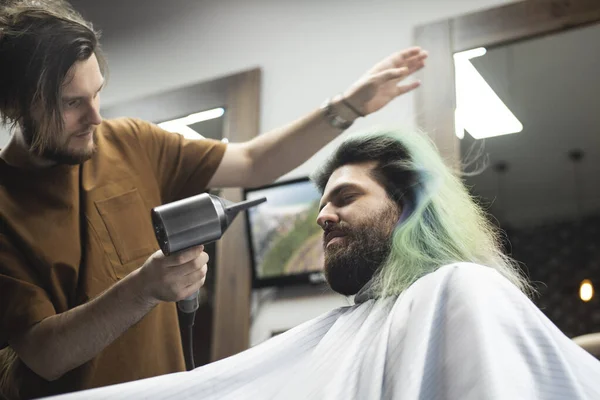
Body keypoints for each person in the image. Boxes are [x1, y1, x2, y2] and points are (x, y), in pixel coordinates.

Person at [0, 0, 428, 398]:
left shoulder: (127, 141)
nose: (95, 116)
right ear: (17, 103)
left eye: (97, 93)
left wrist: (347, 107)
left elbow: (253, 162)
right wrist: (145, 288)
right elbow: (45, 354)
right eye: (72, 103)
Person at [47, 130, 600, 400]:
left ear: (405, 205)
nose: (322, 218)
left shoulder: (457, 291)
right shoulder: (354, 327)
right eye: (321, 205)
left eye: (344, 198)